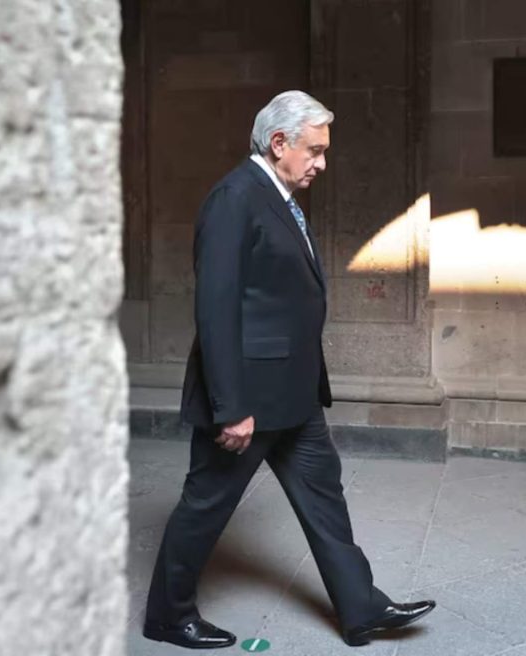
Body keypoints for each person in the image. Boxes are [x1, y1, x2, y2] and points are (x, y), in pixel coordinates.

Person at [142, 90, 435, 650]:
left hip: (294, 395)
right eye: (315, 150)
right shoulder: (235, 198)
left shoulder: (273, 196)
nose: (322, 163)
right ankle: (166, 615)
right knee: (205, 506)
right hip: (248, 400)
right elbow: (217, 310)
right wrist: (231, 408)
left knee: (325, 497)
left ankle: (361, 607)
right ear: (280, 143)